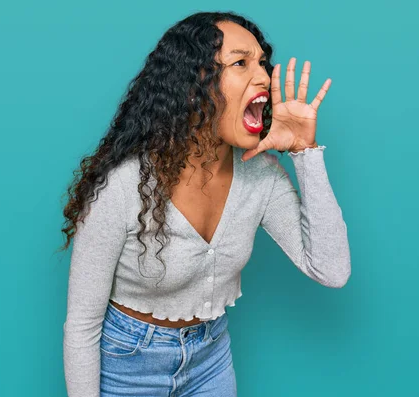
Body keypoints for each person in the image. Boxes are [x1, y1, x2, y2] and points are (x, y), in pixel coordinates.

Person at [59, 11, 351, 397]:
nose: (264, 76)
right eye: (241, 63)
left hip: (210, 358)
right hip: (129, 362)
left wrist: (304, 152)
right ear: (195, 84)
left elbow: (331, 270)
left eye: (262, 62)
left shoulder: (261, 177)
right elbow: (81, 325)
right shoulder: (126, 184)